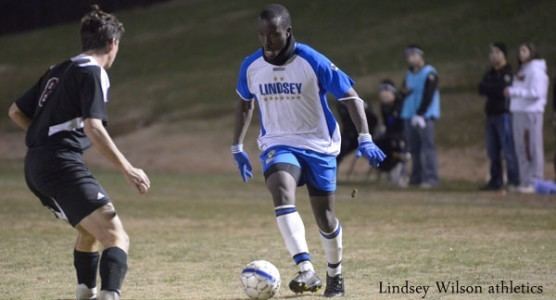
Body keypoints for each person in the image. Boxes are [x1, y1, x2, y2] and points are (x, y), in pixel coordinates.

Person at [231, 4, 385, 297]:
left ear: (287, 32)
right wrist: (237, 145)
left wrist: (365, 136)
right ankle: (305, 269)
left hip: (319, 145)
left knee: (325, 218)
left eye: (273, 34)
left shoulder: (312, 60)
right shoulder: (251, 66)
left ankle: (335, 276)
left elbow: (351, 98)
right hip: (278, 142)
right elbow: (245, 103)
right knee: (280, 186)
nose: (267, 42)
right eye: (261, 35)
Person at [7, 6, 150, 300]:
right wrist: (128, 169)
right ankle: (110, 295)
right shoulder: (93, 71)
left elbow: (15, 111)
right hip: (60, 165)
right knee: (115, 236)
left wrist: (43, 135)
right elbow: (93, 127)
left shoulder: (58, 70)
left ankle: (86, 293)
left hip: (36, 166)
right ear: (113, 44)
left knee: (89, 232)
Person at [505, 42, 549, 193]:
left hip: (531, 113)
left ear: (532, 52)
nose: (521, 53)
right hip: (518, 112)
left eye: (524, 50)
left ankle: (535, 180)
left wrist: (515, 92)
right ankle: (525, 181)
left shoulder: (537, 71)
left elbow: (537, 93)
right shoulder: (522, 70)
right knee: (521, 148)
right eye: (519, 50)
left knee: (532, 147)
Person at [478, 42, 520, 191]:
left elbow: (502, 89)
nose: (493, 55)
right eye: (492, 52)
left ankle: (514, 180)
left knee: (508, 149)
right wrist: (494, 88)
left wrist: (493, 88)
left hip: (504, 114)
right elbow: (481, 88)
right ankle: (496, 180)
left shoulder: (508, 72)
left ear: (504, 55)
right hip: (491, 114)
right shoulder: (490, 72)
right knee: (492, 151)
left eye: (497, 52)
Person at [401, 45, 440, 188]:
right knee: (414, 148)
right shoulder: (409, 74)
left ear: (420, 56)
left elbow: (429, 94)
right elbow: (404, 91)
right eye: (408, 56)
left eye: (413, 55)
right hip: (409, 115)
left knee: (428, 147)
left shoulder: (430, 73)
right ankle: (416, 177)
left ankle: (431, 178)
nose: (410, 59)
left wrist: (421, 113)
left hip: (425, 116)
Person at [375, 79, 409, 185]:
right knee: (377, 145)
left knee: (395, 145)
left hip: (402, 137)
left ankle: (399, 173)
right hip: (389, 136)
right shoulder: (384, 107)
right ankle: (387, 170)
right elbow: (387, 124)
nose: (383, 94)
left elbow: (402, 126)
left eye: (386, 91)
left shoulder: (400, 104)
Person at [335, 99, 378, 165]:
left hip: (362, 136)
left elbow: (374, 121)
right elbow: (346, 124)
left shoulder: (358, 101)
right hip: (349, 136)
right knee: (339, 150)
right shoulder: (341, 106)